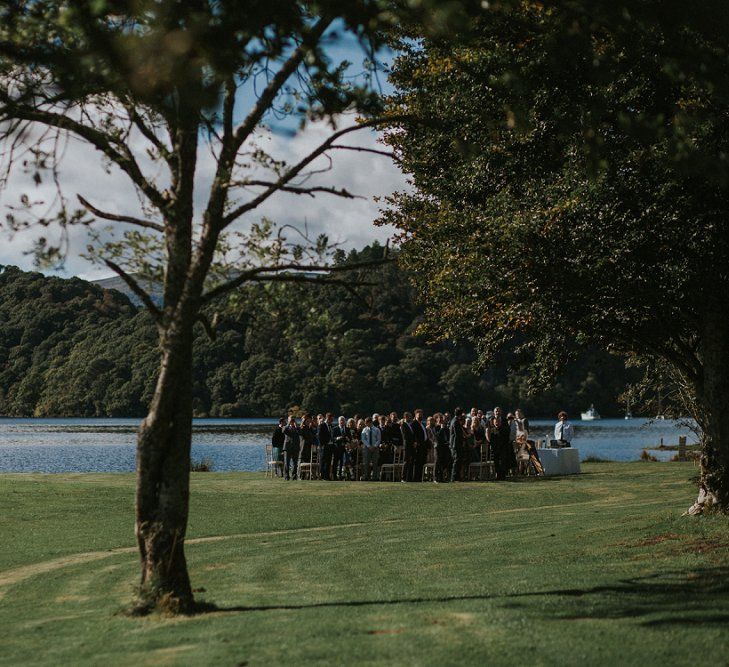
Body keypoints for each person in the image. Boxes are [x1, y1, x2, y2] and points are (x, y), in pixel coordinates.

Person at [488, 407, 512, 480]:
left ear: (501, 412)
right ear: (494, 412)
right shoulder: (490, 420)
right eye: (496, 411)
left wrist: (500, 427)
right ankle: (498, 475)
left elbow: (508, 431)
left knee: (503, 460)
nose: (497, 412)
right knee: (496, 461)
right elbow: (488, 430)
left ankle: (503, 475)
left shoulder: (504, 420)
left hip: (503, 444)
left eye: (498, 411)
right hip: (494, 444)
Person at [361, 416, 381, 481]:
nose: (366, 424)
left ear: (370, 422)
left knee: (375, 462)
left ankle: (374, 477)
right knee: (366, 462)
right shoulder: (364, 430)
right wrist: (369, 446)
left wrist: (374, 446)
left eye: (367, 423)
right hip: (367, 448)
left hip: (375, 448)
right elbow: (363, 439)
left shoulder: (377, 429)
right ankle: (366, 476)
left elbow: (379, 439)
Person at [449, 407, 466, 482]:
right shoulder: (455, 421)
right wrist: (462, 440)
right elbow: (457, 434)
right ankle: (454, 477)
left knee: (457, 461)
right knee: (457, 461)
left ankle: (456, 477)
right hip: (456, 444)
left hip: (455, 444)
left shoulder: (454, 420)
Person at [434, 413, 452, 482]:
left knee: (443, 462)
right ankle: (436, 478)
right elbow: (437, 437)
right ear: (437, 419)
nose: (441, 420)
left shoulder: (446, 428)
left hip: (445, 447)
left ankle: (442, 478)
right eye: (440, 418)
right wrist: (441, 429)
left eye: (442, 418)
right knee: (437, 462)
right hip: (438, 447)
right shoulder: (436, 427)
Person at [282, 415, 301, 480]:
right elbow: (283, 431)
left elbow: (300, 432)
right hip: (287, 447)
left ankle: (294, 476)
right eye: (291, 419)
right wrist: (288, 423)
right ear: (288, 420)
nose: (292, 421)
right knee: (287, 463)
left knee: (295, 463)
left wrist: (296, 426)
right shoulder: (285, 427)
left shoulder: (297, 428)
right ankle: (286, 476)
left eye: (293, 419)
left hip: (295, 447)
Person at [413, 408, 428, 481]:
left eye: (422, 415)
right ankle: (416, 478)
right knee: (418, 463)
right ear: (415, 415)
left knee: (422, 463)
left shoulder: (422, 424)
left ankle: (420, 477)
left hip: (423, 446)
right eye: (419, 415)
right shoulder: (414, 424)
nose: (421, 416)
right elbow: (414, 435)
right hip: (419, 447)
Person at [400, 412, 416, 482]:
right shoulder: (403, 425)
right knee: (406, 461)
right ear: (406, 417)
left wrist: (414, 442)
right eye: (410, 416)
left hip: (412, 446)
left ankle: (409, 478)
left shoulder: (410, 425)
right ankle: (403, 478)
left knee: (411, 461)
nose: (411, 418)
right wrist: (412, 443)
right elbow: (405, 436)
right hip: (407, 445)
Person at [318, 412, 334, 480]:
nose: (331, 420)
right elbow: (319, 436)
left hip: (330, 446)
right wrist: (323, 444)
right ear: (327, 418)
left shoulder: (331, 426)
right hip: (324, 446)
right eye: (330, 419)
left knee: (328, 461)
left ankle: (327, 476)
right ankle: (322, 476)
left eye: (332, 419)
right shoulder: (322, 425)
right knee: (323, 461)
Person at [332, 415, 349, 480]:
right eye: (340, 420)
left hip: (345, 448)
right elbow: (332, 438)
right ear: (338, 422)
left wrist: (348, 439)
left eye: (343, 420)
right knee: (335, 462)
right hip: (337, 448)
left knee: (343, 463)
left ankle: (341, 476)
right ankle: (334, 476)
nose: (342, 422)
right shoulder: (335, 429)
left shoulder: (347, 429)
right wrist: (337, 438)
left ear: (345, 422)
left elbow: (349, 438)